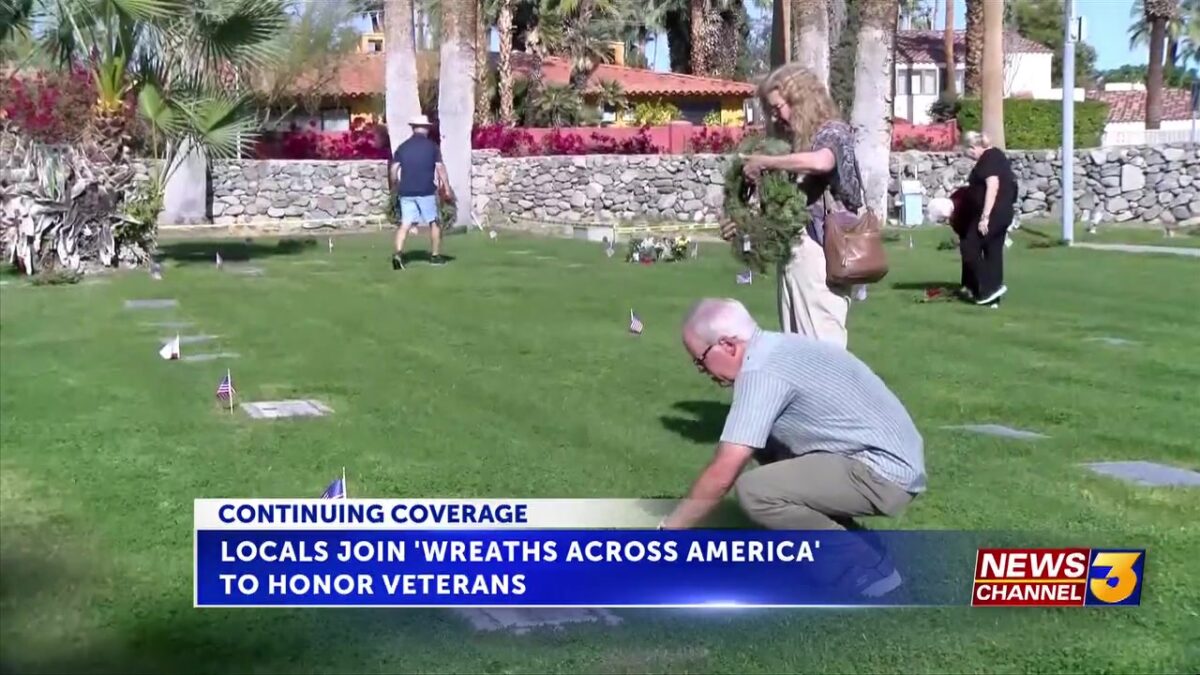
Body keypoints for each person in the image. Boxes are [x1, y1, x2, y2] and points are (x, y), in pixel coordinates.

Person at [662, 298, 926, 595]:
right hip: (888, 459)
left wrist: (668, 536)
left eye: (700, 359)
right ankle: (855, 543)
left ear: (728, 346)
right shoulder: (776, 347)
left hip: (884, 473)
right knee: (763, 444)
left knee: (757, 492)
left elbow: (724, 471)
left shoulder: (761, 371)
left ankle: (865, 570)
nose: (701, 370)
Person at [721, 63, 865, 349]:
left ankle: (836, 395)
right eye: (770, 110)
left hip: (822, 253)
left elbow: (822, 162)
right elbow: (785, 205)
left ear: (802, 100)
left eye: (779, 107)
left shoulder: (832, 132)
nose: (776, 116)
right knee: (797, 348)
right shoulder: (794, 144)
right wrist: (746, 227)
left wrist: (766, 162)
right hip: (796, 253)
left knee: (823, 348)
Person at [959, 131, 1018, 307]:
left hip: (993, 213)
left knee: (969, 246)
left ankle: (988, 288)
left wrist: (985, 217)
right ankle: (993, 297)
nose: (970, 157)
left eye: (969, 152)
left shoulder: (989, 158)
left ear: (973, 147)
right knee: (993, 251)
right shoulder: (997, 155)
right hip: (1003, 213)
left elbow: (993, 186)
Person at [389, 115, 451, 269]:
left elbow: (394, 169)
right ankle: (435, 256)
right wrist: (446, 187)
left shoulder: (403, 147)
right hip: (426, 191)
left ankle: (398, 254)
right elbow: (440, 168)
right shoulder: (432, 147)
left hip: (406, 191)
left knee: (405, 224)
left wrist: (394, 184)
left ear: (413, 128)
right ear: (427, 129)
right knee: (433, 222)